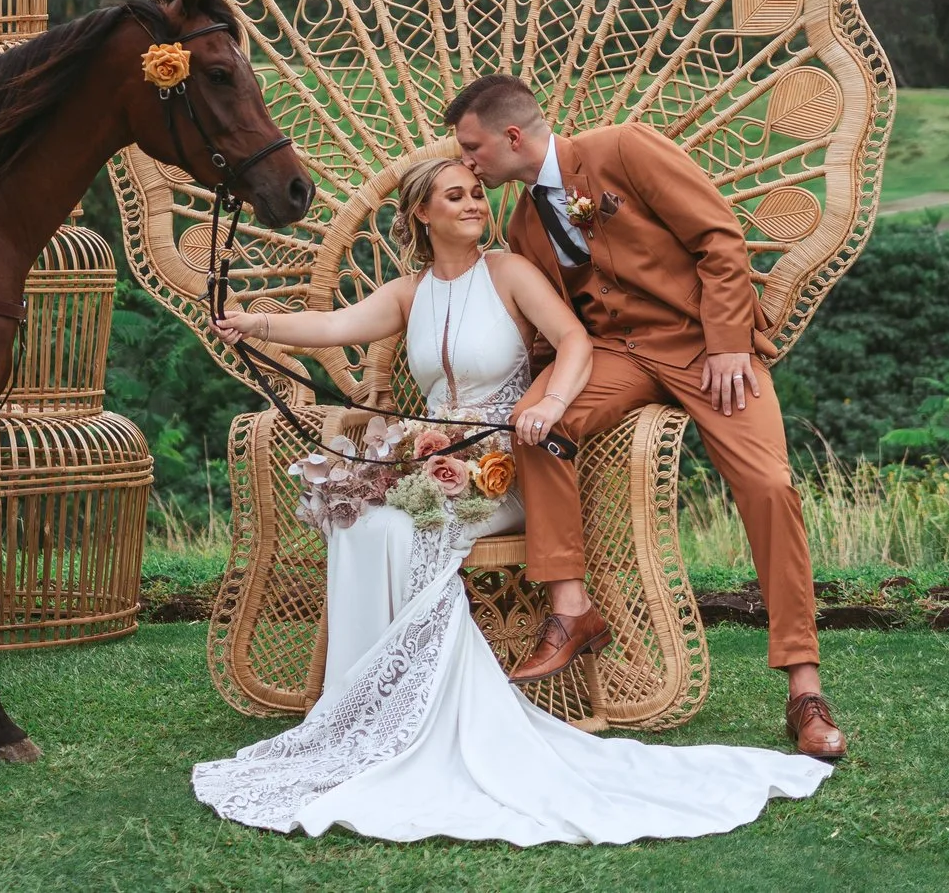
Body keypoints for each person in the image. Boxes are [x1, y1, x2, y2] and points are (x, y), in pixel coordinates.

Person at [189, 156, 834, 844]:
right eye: (456, 196)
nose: (475, 203)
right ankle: (366, 712)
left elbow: (574, 340)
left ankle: (425, 712)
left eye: (476, 193)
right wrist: (254, 325)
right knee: (360, 524)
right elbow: (334, 324)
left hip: (503, 466)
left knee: (401, 532)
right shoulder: (409, 292)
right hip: (431, 457)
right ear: (422, 216)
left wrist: (551, 400)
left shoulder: (510, 272)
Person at [447, 73, 849, 762]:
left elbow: (721, 241)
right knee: (535, 423)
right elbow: (555, 334)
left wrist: (727, 343)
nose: (466, 163)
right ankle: (572, 610)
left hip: (703, 346)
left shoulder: (625, 150)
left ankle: (804, 689)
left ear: (513, 136)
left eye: (471, 147)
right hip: (614, 354)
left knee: (769, 483)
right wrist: (518, 397)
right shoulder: (519, 224)